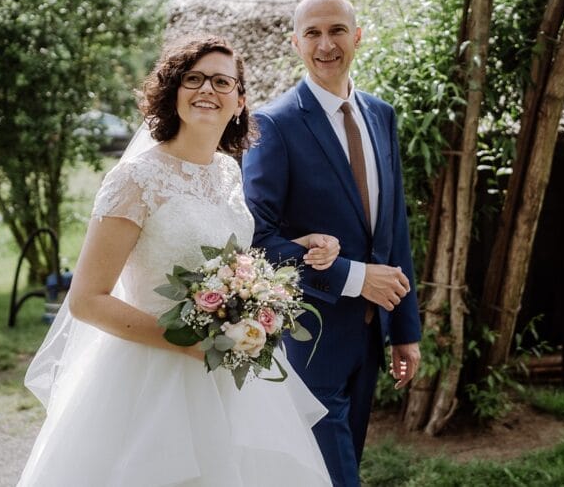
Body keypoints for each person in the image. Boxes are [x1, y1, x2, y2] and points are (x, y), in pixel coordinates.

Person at [18, 36, 333, 486]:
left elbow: (229, 255)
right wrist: (186, 342)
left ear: (240, 102)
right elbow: (87, 299)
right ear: (173, 92)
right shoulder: (135, 179)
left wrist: (270, 281)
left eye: (222, 82)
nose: (208, 89)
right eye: (194, 79)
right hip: (149, 377)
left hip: (228, 375)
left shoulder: (227, 170)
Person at [242, 0, 422, 487]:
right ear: (296, 42)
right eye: (314, 33)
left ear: (357, 37)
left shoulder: (380, 115)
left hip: (369, 337)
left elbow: (394, 229)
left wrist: (404, 328)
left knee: (341, 470)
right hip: (309, 338)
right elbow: (257, 241)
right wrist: (354, 278)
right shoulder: (273, 124)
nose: (326, 44)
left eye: (337, 30)